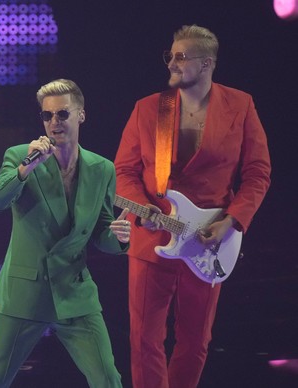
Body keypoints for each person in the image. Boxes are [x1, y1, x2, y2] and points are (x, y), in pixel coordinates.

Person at [114, 24, 271, 388]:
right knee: (144, 339)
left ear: (207, 64)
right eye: (170, 55)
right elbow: (125, 170)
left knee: (196, 341)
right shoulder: (149, 108)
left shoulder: (241, 105)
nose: (172, 62)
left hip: (209, 239)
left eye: (181, 56)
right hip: (153, 240)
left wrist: (231, 222)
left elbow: (258, 172)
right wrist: (142, 209)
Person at [0, 79, 131, 388]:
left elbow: (101, 231)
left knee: (108, 379)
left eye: (63, 114)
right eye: (47, 115)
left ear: (81, 115)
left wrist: (120, 238)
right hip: (26, 291)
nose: (54, 122)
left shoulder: (102, 169)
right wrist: (26, 169)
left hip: (74, 291)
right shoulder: (20, 156)